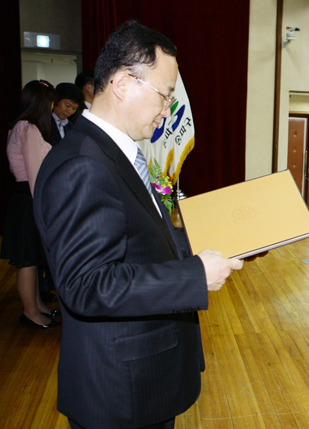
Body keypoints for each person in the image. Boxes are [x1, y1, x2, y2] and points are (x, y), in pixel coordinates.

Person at [33, 21, 243, 429]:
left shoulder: (112, 151)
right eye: (165, 95)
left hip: (140, 379)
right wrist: (194, 275)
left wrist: (210, 237)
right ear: (124, 83)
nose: (167, 109)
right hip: (120, 392)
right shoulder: (83, 165)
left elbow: (137, 237)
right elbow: (87, 285)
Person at [0, 80, 61, 329]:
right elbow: (36, 175)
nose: (52, 106)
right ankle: (30, 312)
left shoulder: (21, 126)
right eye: (50, 101)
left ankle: (37, 306)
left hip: (25, 199)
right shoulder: (28, 130)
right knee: (27, 261)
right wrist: (45, 210)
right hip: (30, 200)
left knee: (33, 259)